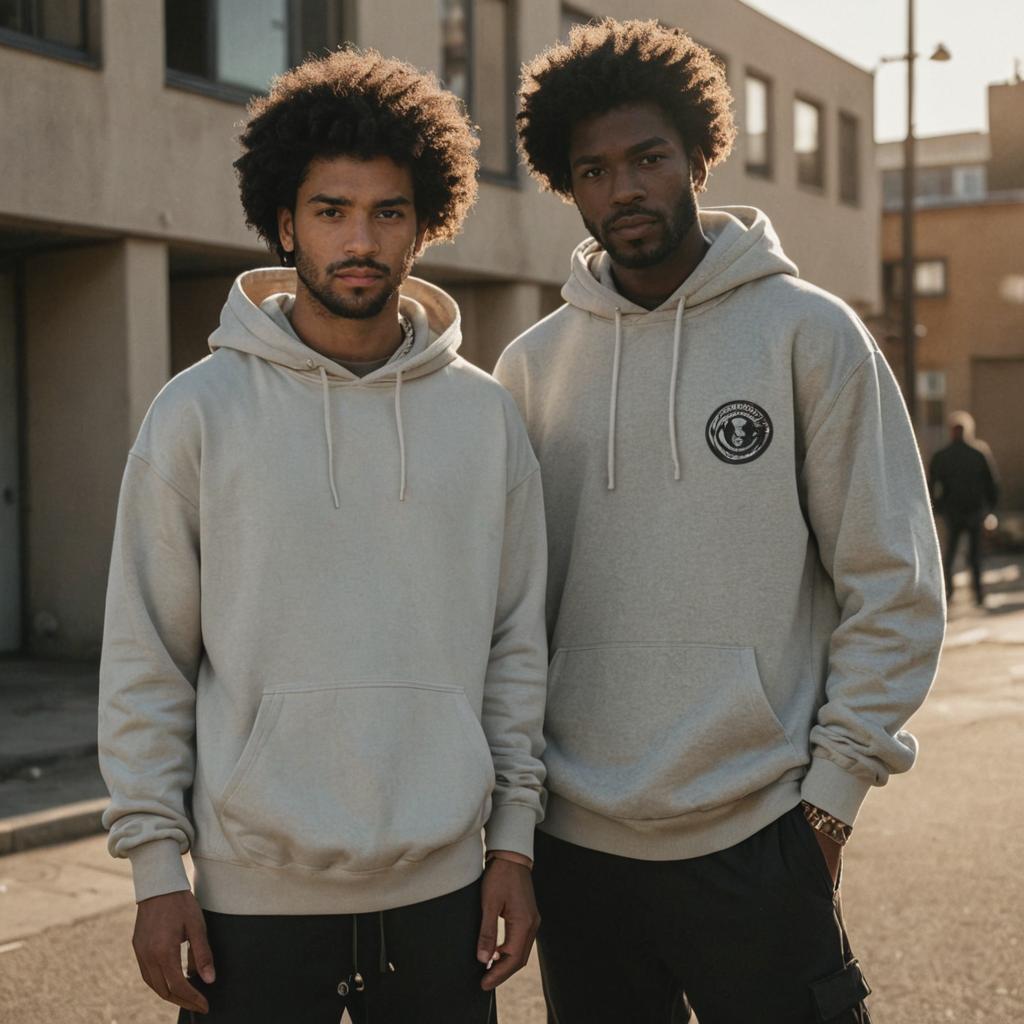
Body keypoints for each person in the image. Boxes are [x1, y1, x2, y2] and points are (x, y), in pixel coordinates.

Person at [495, 19, 945, 1024]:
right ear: (568, 186)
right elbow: (504, 614)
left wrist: (831, 796)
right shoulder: (529, 367)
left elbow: (893, 579)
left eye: (648, 157)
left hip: (759, 832)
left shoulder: (808, 333)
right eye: (594, 169)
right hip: (580, 846)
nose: (624, 189)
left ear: (699, 152)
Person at [98, 48, 547, 1024]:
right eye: (331, 210)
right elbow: (148, 653)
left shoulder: (484, 418)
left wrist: (511, 841)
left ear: (424, 223)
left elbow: (517, 642)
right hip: (247, 900)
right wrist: (151, 865)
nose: (360, 240)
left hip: (443, 895)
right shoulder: (198, 412)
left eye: (389, 211)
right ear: (284, 221)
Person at [929, 411, 1000, 605]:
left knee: (950, 555)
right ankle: (978, 594)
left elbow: (931, 485)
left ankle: (949, 593)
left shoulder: (942, 456)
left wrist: (938, 508)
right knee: (974, 556)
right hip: (974, 511)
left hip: (953, 512)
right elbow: (992, 484)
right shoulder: (978, 454)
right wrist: (990, 509)